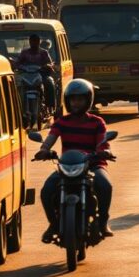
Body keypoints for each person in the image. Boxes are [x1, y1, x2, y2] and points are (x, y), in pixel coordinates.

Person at [36, 79, 115, 242]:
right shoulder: (62, 122)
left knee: (105, 185)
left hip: (93, 164)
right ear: (67, 101)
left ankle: (103, 222)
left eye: (80, 99)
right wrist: (44, 150)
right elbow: (50, 138)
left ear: (88, 100)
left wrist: (105, 152)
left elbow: (103, 142)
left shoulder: (97, 122)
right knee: (47, 190)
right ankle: (54, 224)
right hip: (67, 166)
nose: (76, 103)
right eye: (73, 99)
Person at [17, 34, 58, 114]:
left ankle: (50, 106)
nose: (34, 44)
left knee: (49, 83)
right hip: (27, 76)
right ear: (29, 42)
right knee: (18, 85)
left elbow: (50, 63)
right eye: (32, 42)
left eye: (36, 42)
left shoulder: (44, 53)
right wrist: (17, 65)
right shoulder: (24, 53)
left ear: (39, 42)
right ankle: (19, 107)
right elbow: (18, 62)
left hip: (41, 75)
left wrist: (47, 66)